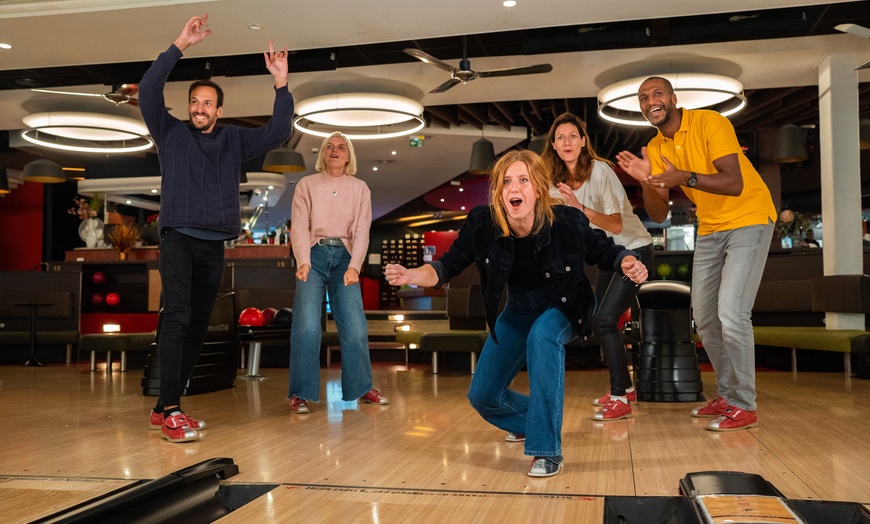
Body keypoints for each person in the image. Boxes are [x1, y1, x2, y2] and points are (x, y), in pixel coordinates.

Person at [384, 150, 648, 477]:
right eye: (507, 181)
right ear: (498, 191)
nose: (514, 188)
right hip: (518, 307)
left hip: (566, 304)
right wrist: (411, 275)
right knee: (483, 396)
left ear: (537, 188)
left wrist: (627, 262)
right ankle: (535, 423)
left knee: (543, 336)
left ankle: (546, 450)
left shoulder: (565, 220)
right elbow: (444, 268)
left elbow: (604, 250)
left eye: (523, 180)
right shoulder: (482, 223)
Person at [138, 14, 293, 442]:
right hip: (177, 238)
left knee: (198, 324)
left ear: (219, 110)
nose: (200, 108)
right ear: (189, 107)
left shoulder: (233, 140)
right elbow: (149, 91)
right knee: (178, 317)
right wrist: (179, 45)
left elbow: (279, 131)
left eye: (208, 103)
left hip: (213, 243)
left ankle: (164, 405)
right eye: (195, 102)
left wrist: (281, 84)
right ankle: (171, 409)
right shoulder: (169, 133)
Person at [615, 76, 776, 432]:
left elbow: (733, 183)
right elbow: (660, 214)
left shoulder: (710, 123)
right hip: (710, 228)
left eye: (657, 94)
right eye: (643, 98)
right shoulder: (655, 148)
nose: (649, 101)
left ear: (673, 98)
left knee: (732, 312)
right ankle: (727, 395)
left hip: (749, 218)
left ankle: (744, 404)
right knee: (704, 317)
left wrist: (681, 177)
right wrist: (648, 179)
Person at [542, 113, 654, 422]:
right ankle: (626, 389)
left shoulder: (601, 171)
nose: (567, 142)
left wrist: (579, 207)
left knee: (606, 321)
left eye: (572, 136)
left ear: (582, 141)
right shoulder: (554, 183)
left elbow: (616, 225)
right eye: (560, 137)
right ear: (553, 144)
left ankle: (620, 397)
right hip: (608, 255)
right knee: (600, 322)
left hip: (634, 250)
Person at [287, 132, 388, 414]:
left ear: (348, 156)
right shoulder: (307, 185)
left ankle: (361, 387)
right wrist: (303, 260)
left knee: (355, 327)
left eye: (341, 147)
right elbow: (300, 227)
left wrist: (355, 266)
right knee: (307, 327)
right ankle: (300, 393)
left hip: (345, 257)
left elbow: (362, 231)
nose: (335, 150)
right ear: (322, 155)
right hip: (314, 255)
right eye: (329, 146)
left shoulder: (360, 188)